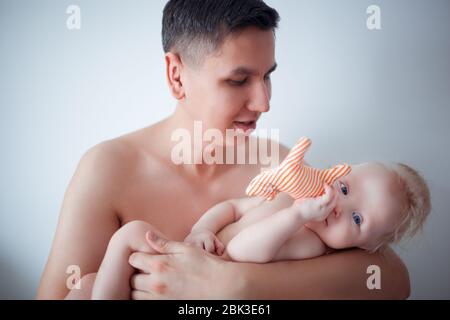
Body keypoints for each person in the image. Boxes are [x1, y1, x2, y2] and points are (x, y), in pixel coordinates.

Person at [36, 0, 411, 300]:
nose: (264, 102)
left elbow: (389, 278)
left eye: (267, 76)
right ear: (177, 75)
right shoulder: (110, 169)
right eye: (239, 79)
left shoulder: (277, 163)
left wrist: (233, 286)